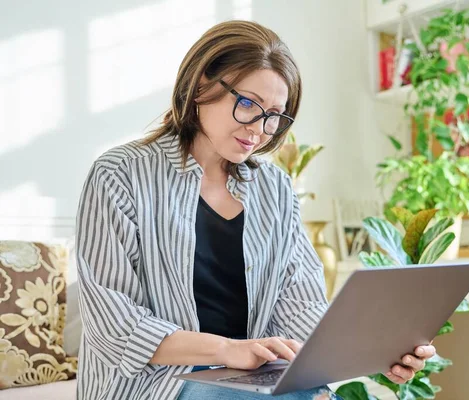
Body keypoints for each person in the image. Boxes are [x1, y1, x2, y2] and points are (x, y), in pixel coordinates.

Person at [75, 20, 436, 400]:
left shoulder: (276, 188)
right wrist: (227, 350)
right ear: (201, 84)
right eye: (248, 103)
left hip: (251, 376)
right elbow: (113, 323)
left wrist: (373, 350)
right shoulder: (120, 174)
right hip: (154, 383)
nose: (260, 129)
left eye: (274, 115)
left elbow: (300, 304)